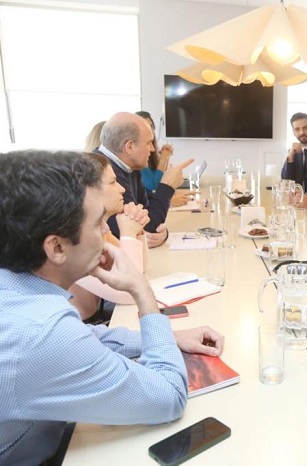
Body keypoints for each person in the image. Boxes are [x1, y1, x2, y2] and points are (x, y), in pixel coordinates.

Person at [0, 150, 224, 465]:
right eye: (98, 224)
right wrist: (141, 291)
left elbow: (82, 338)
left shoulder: (16, 287)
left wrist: (166, 336)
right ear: (57, 247)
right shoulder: (40, 333)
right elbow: (169, 397)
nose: (107, 233)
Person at [69, 154, 149, 321]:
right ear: (88, 190)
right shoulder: (75, 236)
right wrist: (128, 235)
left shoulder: (100, 227)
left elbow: (140, 272)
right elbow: (129, 293)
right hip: (80, 327)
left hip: (94, 321)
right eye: (113, 182)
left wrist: (137, 232)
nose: (122, 189)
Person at [97, 112, 193, 248]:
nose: (153, 149)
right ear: (129, 146)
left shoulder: (129, 167)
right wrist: (167, 186)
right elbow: (140, 229)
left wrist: (162, 234)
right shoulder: (103, 172)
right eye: (149, 143)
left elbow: (147, 213)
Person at [136, 111, 189, 207]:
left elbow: (159, 181)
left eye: (151, 126)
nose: (149, 130)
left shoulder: (151, 151)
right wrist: (164, 159)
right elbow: (154, 185)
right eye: (144, 126)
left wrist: (165, 158)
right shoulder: (137, 155)